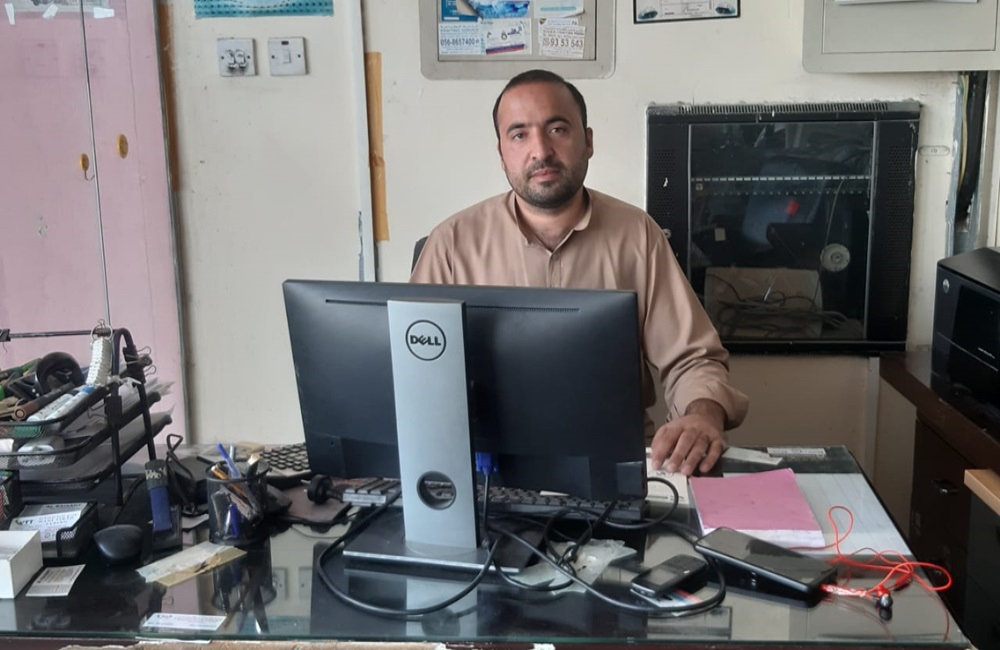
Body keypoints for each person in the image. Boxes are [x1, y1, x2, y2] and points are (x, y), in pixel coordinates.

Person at [411, 69, 748, 477]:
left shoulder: (638, 235)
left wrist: (703, 415)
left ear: (588, 142)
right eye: (519, 135)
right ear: (501, 155)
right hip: (487, 472)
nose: (540, 151)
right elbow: (412, 371)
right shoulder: (451, 244)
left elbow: (692, 359)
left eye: (557, 129)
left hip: (613, 463)